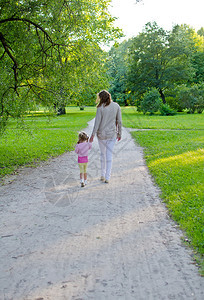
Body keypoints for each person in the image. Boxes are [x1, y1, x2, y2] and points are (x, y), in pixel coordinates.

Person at [89, 90, 122, 183]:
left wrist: (92, 135)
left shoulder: (100, 108)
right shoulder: (116, 106)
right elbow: (119, 121)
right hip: (112, 134)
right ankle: (107, 177)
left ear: (101, 97)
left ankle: (102, 175)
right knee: (109, 156)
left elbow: (97, 123)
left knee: (102, 155)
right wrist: (120, 133)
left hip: (101, 135)